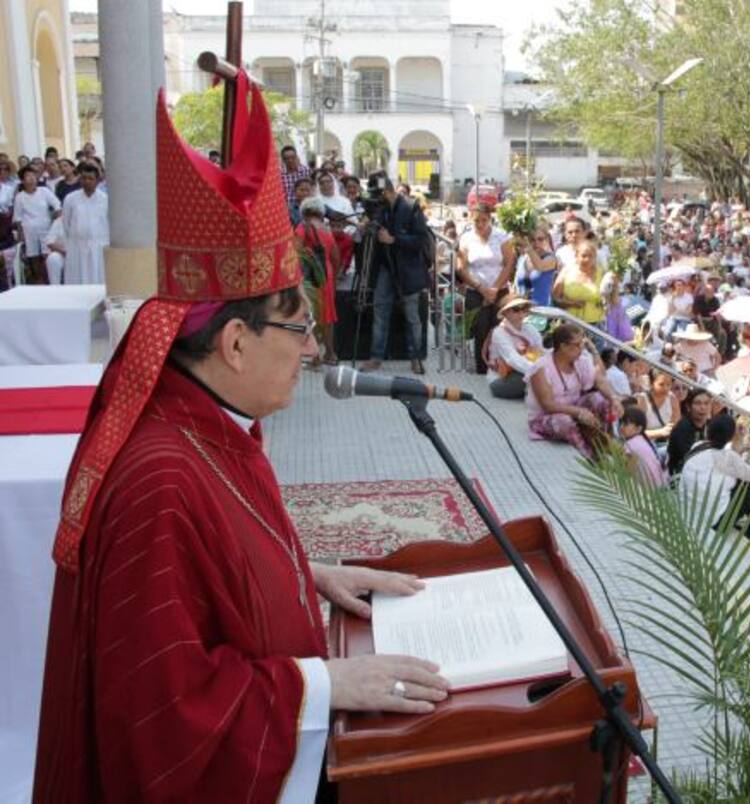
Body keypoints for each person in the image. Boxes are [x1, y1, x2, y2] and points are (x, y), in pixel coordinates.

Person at [34, 79, 449, 801]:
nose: (314, 349)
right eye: (298, 329)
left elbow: (214, 566)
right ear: (232, 342)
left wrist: (307, 571)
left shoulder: (207, 423)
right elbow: (161, 715)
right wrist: (325, 683)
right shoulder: (159, 480)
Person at [362, 178, 430, 374]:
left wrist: (394, 239)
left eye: (377, 194)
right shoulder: (380, 209)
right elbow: (375, 231)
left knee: (412, 316)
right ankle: (376, 357)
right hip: (385, 268)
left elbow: (420, 239)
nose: (375, 199)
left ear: (386, 192)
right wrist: (369, 229)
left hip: (408, 269)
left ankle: (415, 358)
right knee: (380, 313)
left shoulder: (411, 206)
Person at [526, 324, 622, 458]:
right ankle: (589, 455)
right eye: (577, 345)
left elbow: (600, 378)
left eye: (582, 344)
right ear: (563, 346)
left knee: (601, 400)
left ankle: (607, 442)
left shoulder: (581, 359)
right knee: (564, 421)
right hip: (548, 415)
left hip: (576, 409)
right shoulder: (541, 368)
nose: (581, 349)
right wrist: (578, 412)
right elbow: (547, 405)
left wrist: (614, 398)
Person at [679, 414, 750, 539]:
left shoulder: (698, 445)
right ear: (731, 436)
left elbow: (725, 462)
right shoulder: (728, 458)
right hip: (714, 522)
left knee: (735, 482)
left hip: (688, 511)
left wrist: (739, 446)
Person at [458, 201, 515, 374]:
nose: (481, 224)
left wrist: (495, 289)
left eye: (484, 220)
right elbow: (461, 267)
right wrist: (481, 288)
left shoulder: (502, 236)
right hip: (476, 290)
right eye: (477, 221)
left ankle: (501, 366)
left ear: (490, 219)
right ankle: (482, 367)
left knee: (499, 329)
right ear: (471, 220)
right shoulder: (466, 238)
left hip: (499, 290)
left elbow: (508, 263)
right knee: (480, 327)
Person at [294, 197, 341, 366]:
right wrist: (334, 277)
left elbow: (296, 253)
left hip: (309, 275)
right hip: (325, 273)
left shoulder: (302, 227)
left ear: (304, 211)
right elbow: (336, 256)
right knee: (327, 315)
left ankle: (315, 358)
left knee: (311, 313)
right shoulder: (326, 228)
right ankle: (331, 353)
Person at [58, 162, 108, 285]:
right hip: (77, 246)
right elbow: (66, 223)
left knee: (97, 279)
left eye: (91, 178)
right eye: (84, 178)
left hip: (98, 246)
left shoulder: (105, 199)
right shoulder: (70, 198)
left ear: (97, 181)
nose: (87, 181)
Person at [485, 296, 543, 399]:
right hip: (502, 378)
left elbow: (542, 351)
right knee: (529, 378)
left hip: (526, 370)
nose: (521, 313)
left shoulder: (530, 329)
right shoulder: (499, 332)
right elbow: (512, 359)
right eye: (516, 309)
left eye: (524, 309)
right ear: (505, 313)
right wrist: (541, 372)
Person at [12, 164, 60, 284]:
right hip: (29, 229)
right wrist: (20, 234)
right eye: (28, 176)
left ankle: (49, 278)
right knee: (33, 255)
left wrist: (56, 217)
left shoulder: (44, 191)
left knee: (47, 254)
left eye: (33, 175)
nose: (32, 178)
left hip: (45, 227)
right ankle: (38, 279)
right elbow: (18, 217)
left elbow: (57, 205)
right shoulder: (20, 197)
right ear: (22, 180)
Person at [553, 238, 607, 331]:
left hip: (596, 325)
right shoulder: (567, 271)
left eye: (591, 256)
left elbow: (610, 300)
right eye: (584, 256)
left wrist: (604, 302)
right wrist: (570, 304)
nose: (587, 259)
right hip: (571, 324)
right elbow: (555, 297)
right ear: (576, 256)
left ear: (595, 257)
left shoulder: (602, 273)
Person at [666, 388, 714, 475]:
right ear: (688, 407)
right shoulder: (682, 428)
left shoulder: (710, 425)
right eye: (697, 403)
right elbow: (689, 459)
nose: (703, 407)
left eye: (706, 403)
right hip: (681, 477)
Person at [619, 406, 667, 488]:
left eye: (626, 424)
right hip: (661, 484)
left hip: (647, 490)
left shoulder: (630, 445)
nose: (621, 427)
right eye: (621, 423)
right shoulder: (642, 440)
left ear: (638, 429)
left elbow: (629, 472)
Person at [515, 228, 559, 307]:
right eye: (532, 240)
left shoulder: (550, 258)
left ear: (547, 240)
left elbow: (540, 266)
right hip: (522, 310)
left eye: (540, 239)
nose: (536, 243)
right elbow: (516, 285)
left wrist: (528, 248)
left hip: (543, 309)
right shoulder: (522, 259)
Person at [638, 368, 681, 443]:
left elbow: (675, 423)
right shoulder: (642, 399)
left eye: (669, 384)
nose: (666, 388)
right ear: (651, 383)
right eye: (661, 384)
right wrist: (660, 432)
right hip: (645, 443)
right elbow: (637, 432)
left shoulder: (672, 398)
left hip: (665, 444)